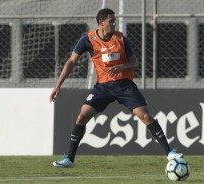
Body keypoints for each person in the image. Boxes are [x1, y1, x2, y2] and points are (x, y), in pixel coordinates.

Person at [50, 8, 183, 168]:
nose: (115, 23)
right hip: (103, 87)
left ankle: (170, 153)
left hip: (124, 85)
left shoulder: (121, 39)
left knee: (146, 117)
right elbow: (71, 62)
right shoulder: (87, 40)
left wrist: (122, 66)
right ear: (101, 23)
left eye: (115, 20)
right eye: (111, 20)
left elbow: (134, 62)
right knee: (81, 117)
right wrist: (58, 86)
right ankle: (69, 159)